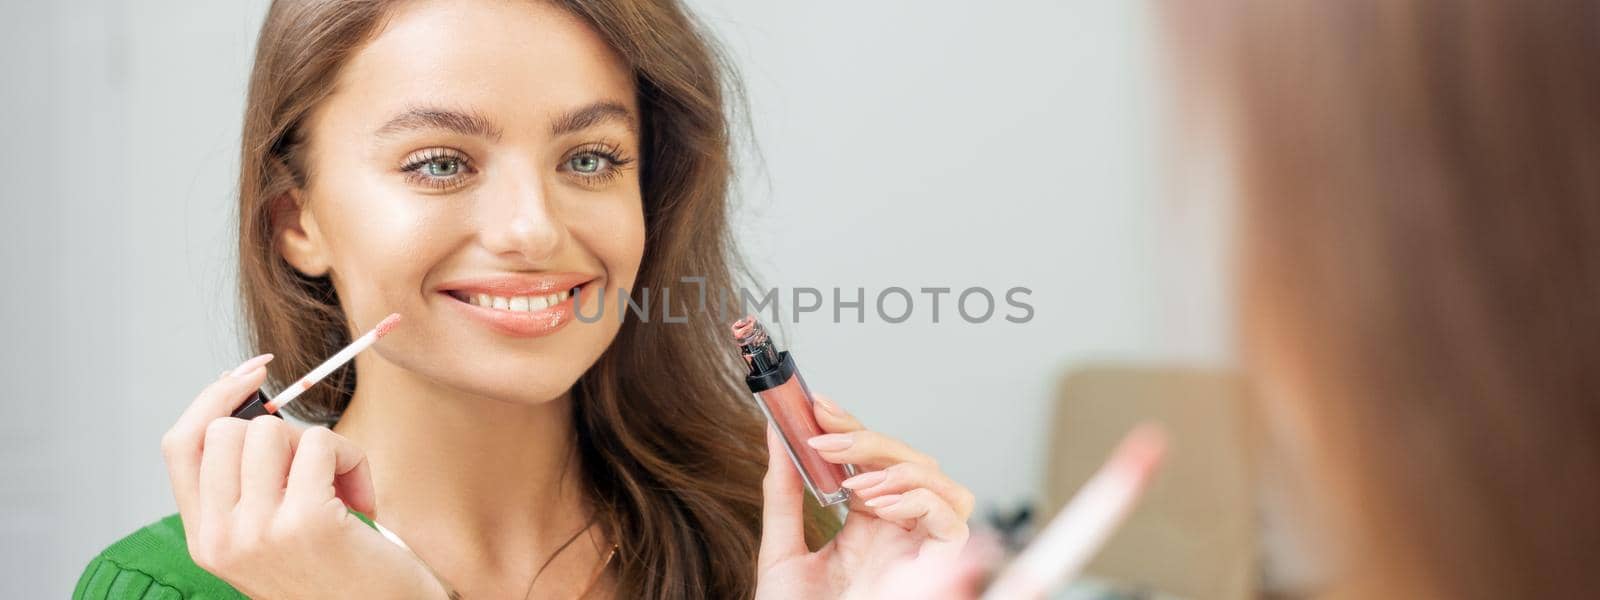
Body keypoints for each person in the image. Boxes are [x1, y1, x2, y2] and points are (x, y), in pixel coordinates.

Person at [73, 1, 971, 598]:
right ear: (294, 220)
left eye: (589, 159)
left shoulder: (776, 551)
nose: (533, 230)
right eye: (439, 163)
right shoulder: (167, 585)